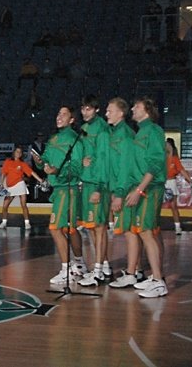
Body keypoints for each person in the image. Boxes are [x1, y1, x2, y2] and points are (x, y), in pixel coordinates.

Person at [121, 97, 168, 298]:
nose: (133, 108)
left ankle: (158, 281)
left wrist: (140, 190)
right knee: (145, 232)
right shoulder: (141, 132)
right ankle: (155, 277)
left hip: (150, 188)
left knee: (147, 232)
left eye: (137, 106)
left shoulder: (154, 131)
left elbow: (155, 163)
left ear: (147, 111)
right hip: (142, 187)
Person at [32, 106, 85, 285]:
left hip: (66, 188)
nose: (59, 117)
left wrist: (57, 171)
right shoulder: (53, 138)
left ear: (72, 120)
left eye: (64, 114)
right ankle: (80, 264)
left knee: (55, 228)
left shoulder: (75, 139)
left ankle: (66, 269)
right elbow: (45, 161)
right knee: (70, 229)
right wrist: (40, 162)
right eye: (58, 113)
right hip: (59, 189)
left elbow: (76, 167)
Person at [76, 95, 113, 286]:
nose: (85, 112)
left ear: (96, 110)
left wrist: (99, 187)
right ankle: (104, 264)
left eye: (89, 108)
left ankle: (97, 271)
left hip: (98, 183)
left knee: (99, 227)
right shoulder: (84, 128)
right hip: (87, 180)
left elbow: (104, 158)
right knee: (90, 226)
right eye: (83, 108)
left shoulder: (102, 129)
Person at [106, 97, 142, 290]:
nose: (106, 114)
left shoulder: (125, 135)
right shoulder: (115, 133)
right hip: (120, 188)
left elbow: (125, 167)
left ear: (121, 113)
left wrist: (119, 193)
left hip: (126, 189)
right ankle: (136, 270)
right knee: (130, 231)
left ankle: (131, 274)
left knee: (130, 232)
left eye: (110, 111)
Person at [0, 145, 44, 230]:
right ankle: (3, 222)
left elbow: (31, 172)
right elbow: (3, 173)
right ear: (14, 153)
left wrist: (40, 180)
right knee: (5, 205)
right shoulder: (7, 161)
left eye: (20, 152)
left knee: (23, 205)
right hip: (10, 186)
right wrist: (1, 183)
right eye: (17, 151)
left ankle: (27, 223)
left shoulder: (22, 164)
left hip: (20, 184)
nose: (18, 153)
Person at [165, 138, 191, 235]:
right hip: (160, 183)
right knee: (156, 206)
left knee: (173, 206)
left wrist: (189, 180)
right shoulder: (159, 158)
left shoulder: (174, 159)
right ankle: (153, 227)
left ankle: (177, 227)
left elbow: (181, 170)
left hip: (171, 182)